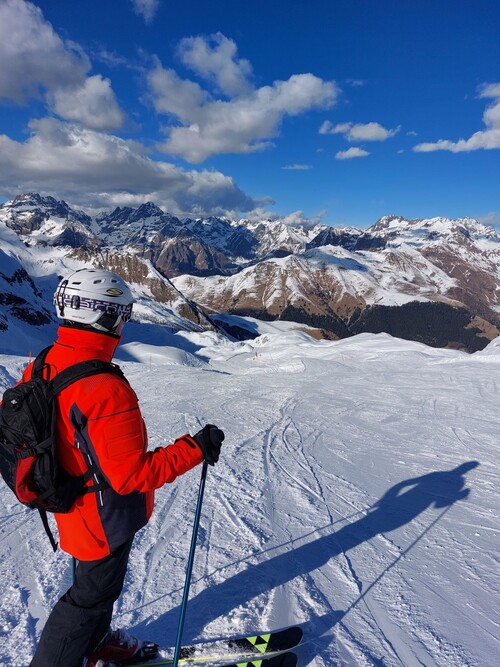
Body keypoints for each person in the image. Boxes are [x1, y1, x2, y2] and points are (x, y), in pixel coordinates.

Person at [24, 268, 224, 667]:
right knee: (87, 600)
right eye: (121, 315)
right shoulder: (104, 388)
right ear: (103, 317)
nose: (123, 324)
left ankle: (95, 644)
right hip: (102, 517)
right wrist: (195, 449)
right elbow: (133, 476)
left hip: (71, 502)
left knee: (94, 589)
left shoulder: (47, 360)